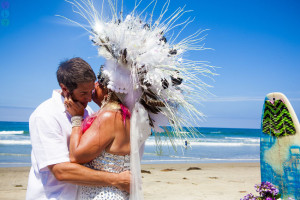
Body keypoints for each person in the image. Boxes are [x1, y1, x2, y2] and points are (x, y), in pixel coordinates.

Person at [26, 57, 130, 200]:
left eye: (91, 91)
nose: (89, 98)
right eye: (83, 93)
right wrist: (116, 179)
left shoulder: (87, 110)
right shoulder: (45, 115)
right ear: (64, 88)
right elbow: (61, 171)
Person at [64, 69, 131, 199]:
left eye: (99, 84)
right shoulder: (125, 116)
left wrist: (76, 118)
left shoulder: (109, 117)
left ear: (108, 92)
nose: (94, 86)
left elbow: (76, 156)